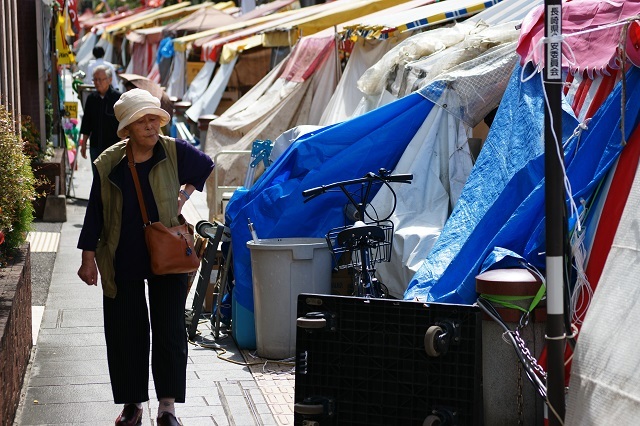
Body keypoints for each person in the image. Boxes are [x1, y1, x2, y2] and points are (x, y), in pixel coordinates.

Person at [77, 88, 214, 426]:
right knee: (126, 331)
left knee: (168, 330)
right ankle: (132, 404)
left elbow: (206, 165)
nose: (152, 126)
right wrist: (88, 256)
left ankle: (166, 408)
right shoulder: (110, 162)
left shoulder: (172, 150)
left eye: (155, 118)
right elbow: (95, 209)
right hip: (121, 253)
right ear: (127, 128)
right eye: (144, 121)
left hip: (166, 254)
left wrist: (183, 195)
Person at [79, 65, 122, 166]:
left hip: (113, 147)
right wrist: (84, 144)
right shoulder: (91, 99)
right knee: (97, 178)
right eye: (95, 79)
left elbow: (124, 124)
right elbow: (86, 123)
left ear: (109, 80)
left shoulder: (118, 98)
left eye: (100, 79)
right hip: (95, 146)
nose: (97, 83)